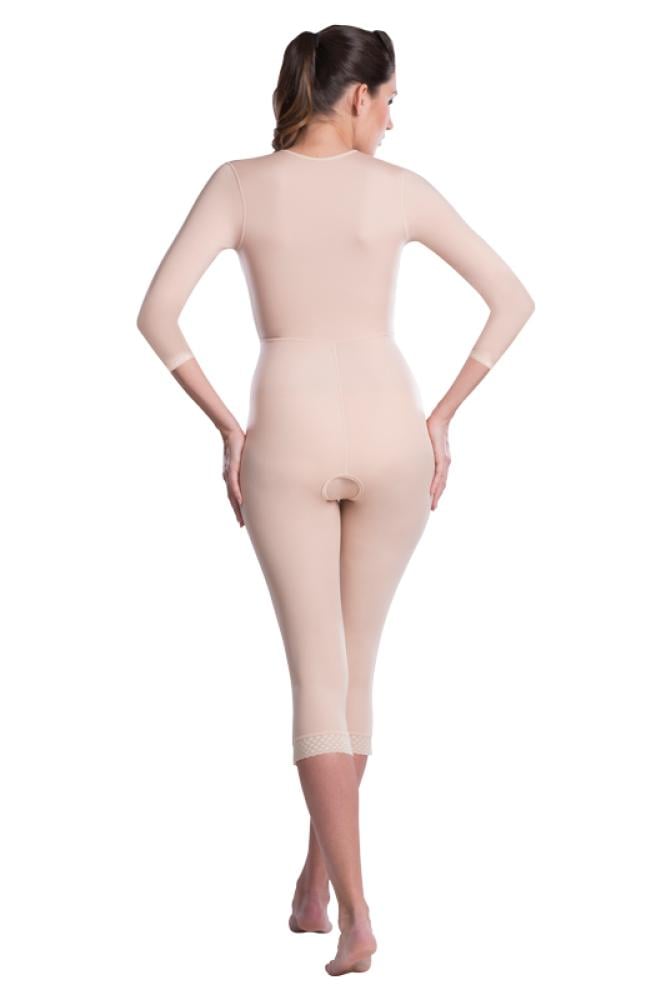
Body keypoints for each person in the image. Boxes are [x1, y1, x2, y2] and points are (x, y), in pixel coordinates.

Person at [136, 24, 535, 977]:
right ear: (357, 97)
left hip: (289, 430)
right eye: (389, 102)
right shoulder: (397, 191)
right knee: (355, 675)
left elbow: (156, 314)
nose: (391, 121)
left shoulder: (239, 184)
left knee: (320, 676)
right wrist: (442, 417)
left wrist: (227, 427)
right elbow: (513, 298)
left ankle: (355, 914)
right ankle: (316, 886)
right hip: (394, 433)